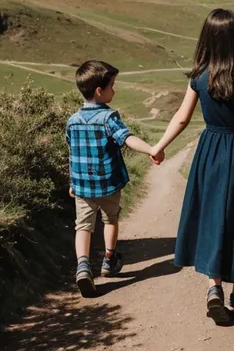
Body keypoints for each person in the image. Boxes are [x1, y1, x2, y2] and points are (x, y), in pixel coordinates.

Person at [151, 9, 234, 324]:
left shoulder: (199, 77)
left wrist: (159, 146)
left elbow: (182, 117)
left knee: (213, 216)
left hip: (209, 153)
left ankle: (214, 287)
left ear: (207, 39)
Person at [66, 60, 164, 297]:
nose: (114, 90)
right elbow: (126, 138)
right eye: (112, 86)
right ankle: (109, 260)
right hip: (108, 183)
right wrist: (151, 149)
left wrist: (72, 182)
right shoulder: (109, 117)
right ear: (99, 91)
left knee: (83, 226)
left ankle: (82, 266)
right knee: (110, 219)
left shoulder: (72, 120)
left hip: (82, 186)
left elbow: (72, 153)